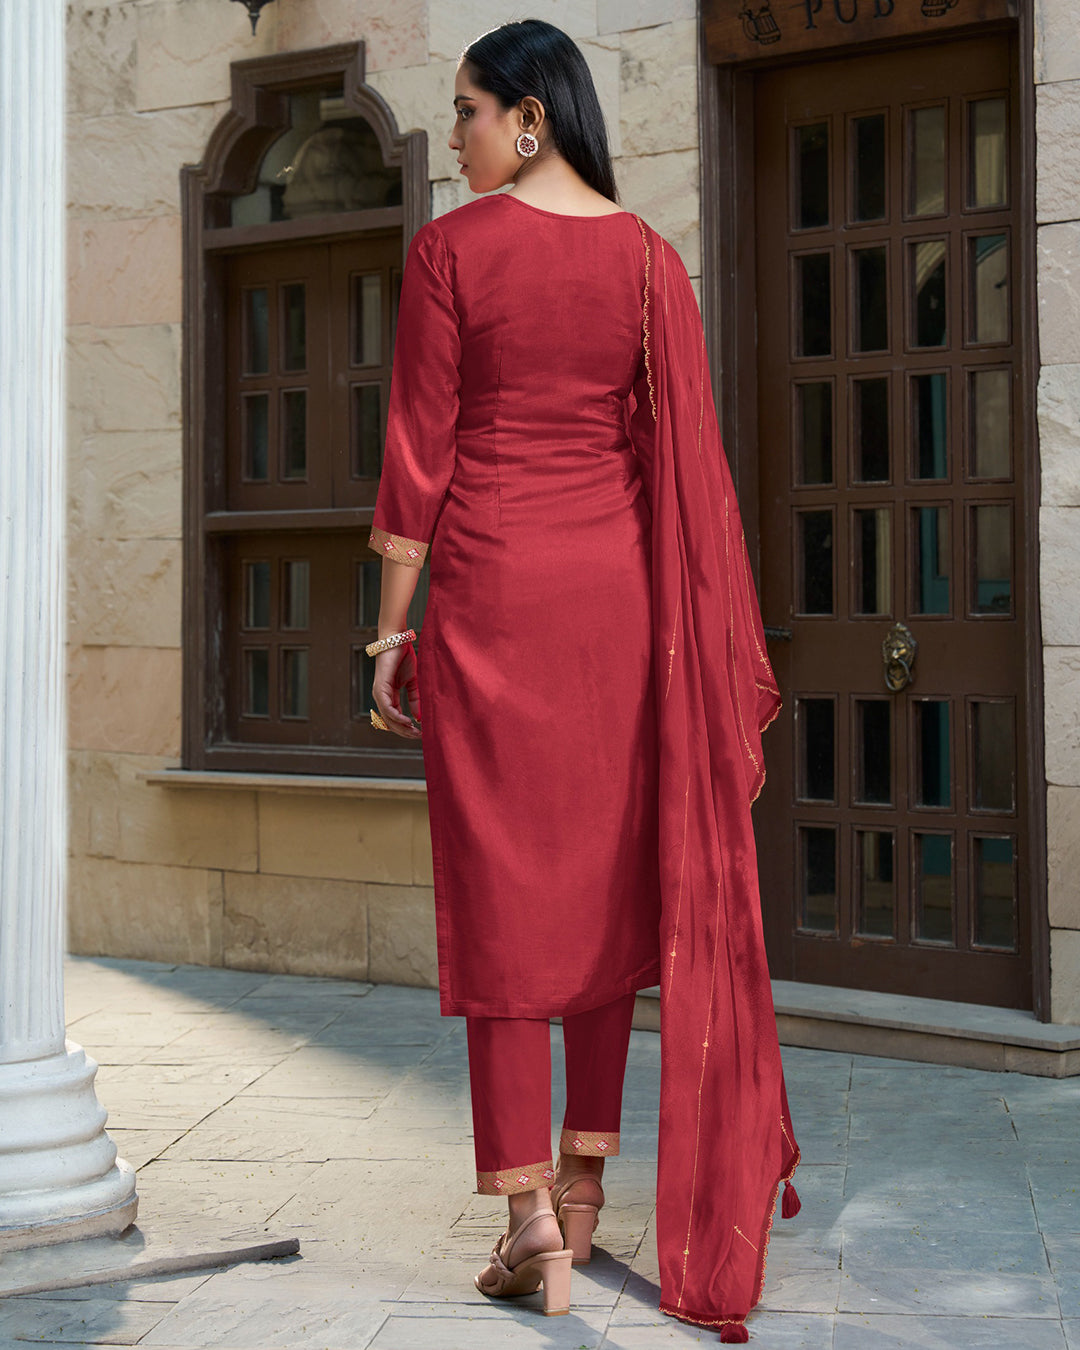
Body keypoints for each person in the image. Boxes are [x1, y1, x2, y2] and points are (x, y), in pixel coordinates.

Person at [366, 19, 800, 1342]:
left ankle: (527, 1219)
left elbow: (417, 460)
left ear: (531, 117)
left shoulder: (451, 252)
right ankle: (588, 1179)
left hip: (494, 594)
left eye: (467, 114)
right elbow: (685, 470)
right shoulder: (650, 261)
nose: (456, 140)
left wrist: (392, 634)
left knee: (500, 891)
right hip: (616, 604)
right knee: (611, 890)